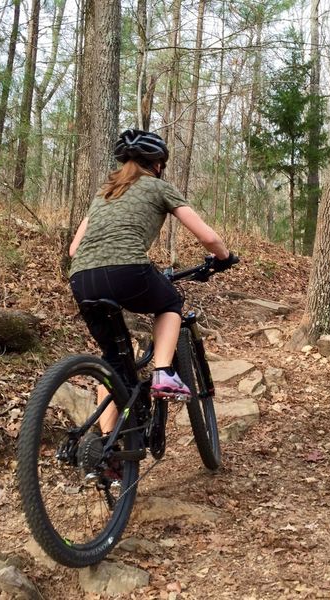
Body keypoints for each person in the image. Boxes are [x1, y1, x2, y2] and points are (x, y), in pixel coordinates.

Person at [69, 129, 236, 432]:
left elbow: (73, 249)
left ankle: (107, 443)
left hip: (81, 278)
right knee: (170, 301)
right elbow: (207, 237)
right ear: (158, 164)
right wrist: (224, 257)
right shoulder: (159, 187)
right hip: (128, 269)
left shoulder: (104, 193)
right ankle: (162, 374)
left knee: (114, 363)